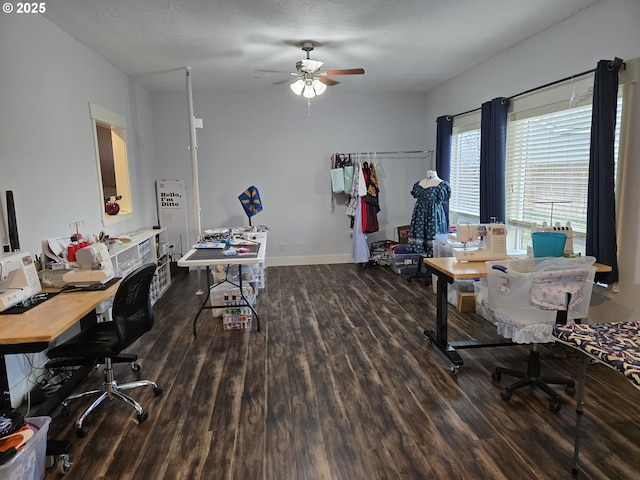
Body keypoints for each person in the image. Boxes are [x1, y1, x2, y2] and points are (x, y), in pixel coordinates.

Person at [408, 170, 450, 256]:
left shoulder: (442, 185)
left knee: (434, 236)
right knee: (420, 235)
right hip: (419, 214)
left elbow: (444, 199)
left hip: (434, 215)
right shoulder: (419, 184)